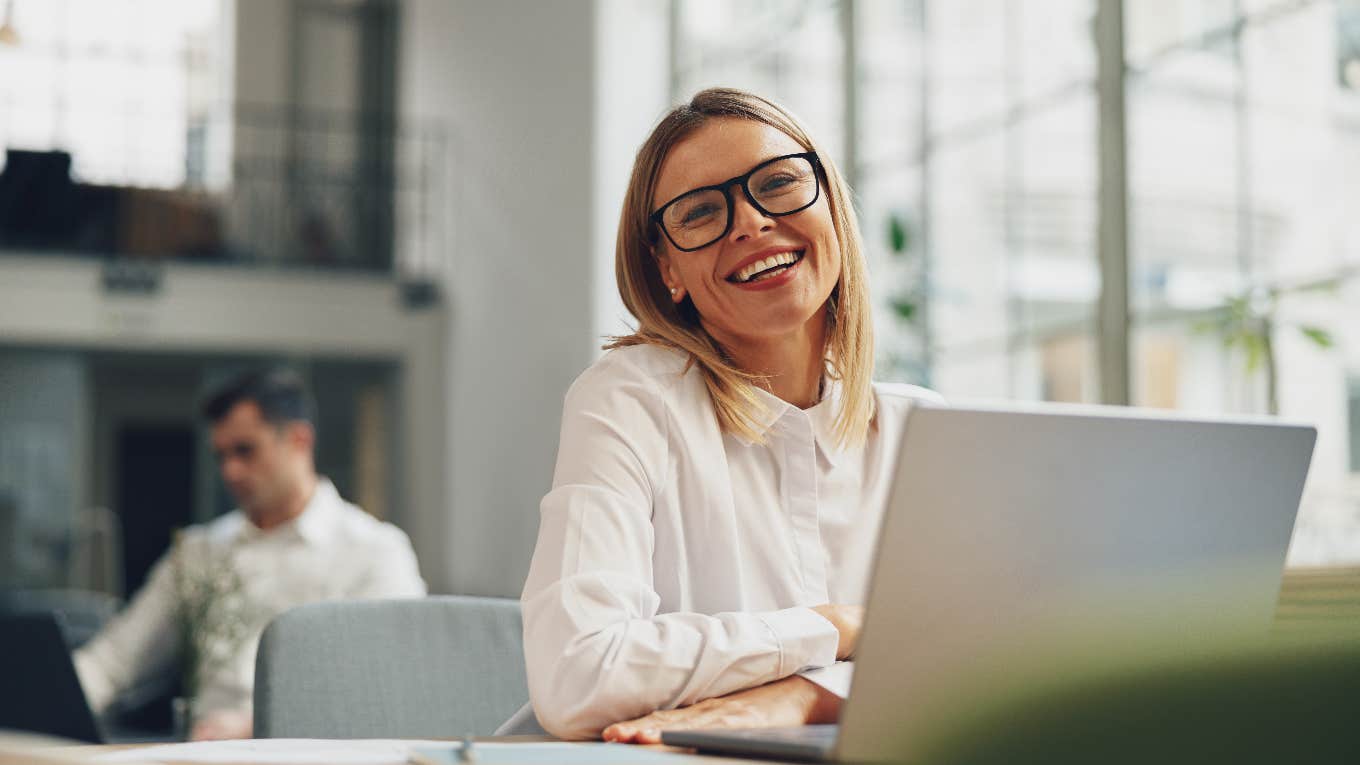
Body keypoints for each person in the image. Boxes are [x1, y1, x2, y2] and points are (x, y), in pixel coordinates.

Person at [520, 88, 942, 742]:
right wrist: (839, 627)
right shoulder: (631, 398)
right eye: (700, 212)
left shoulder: (926, 434)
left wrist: (810, 693)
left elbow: (993, 661)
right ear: (667, 270)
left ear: (830, 202)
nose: (749, 222)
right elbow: (578, 673)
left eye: (778, 183)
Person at [75, 369, 426, 741]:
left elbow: (387, 687)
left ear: (298, 440)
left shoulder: (375, 551)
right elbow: (116, 660)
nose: (230, 470)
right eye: (221, 455)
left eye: (245, 450)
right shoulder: (199, 552)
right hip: (205, 752)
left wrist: (255, 727)